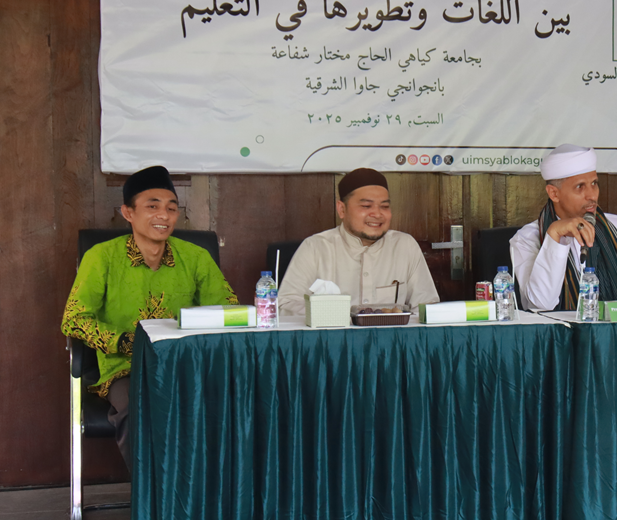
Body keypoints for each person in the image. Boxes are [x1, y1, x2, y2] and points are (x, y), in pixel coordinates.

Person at [61, 166, 239, 472]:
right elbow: (74, 319)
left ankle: (207, 491)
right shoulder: (101, 257)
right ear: (128, 213)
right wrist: (124, 342)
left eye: (171, 208)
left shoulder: (195, 257)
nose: (164, 216)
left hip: (187, 363)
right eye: (152, 206)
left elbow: (229, 311)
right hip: (126, 368)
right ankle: (154, 495)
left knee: (228, 402)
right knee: (139, 408)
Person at [510, 144, 617, 310]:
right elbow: (540, 304)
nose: (592, 195)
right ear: (554, 193)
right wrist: (555, 236)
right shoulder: (526, 239)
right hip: (558, 328)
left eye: (594, 183)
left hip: (614, 327)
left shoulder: (615, 228)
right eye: (580, 186)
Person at [279, 168, 440, 315]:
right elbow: (286, 305)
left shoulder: (404, 246)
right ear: (342, 209)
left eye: (384, 206)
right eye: (366, 206)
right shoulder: (315, 247)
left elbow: (426, 307)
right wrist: (336, 315)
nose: (377, 214)